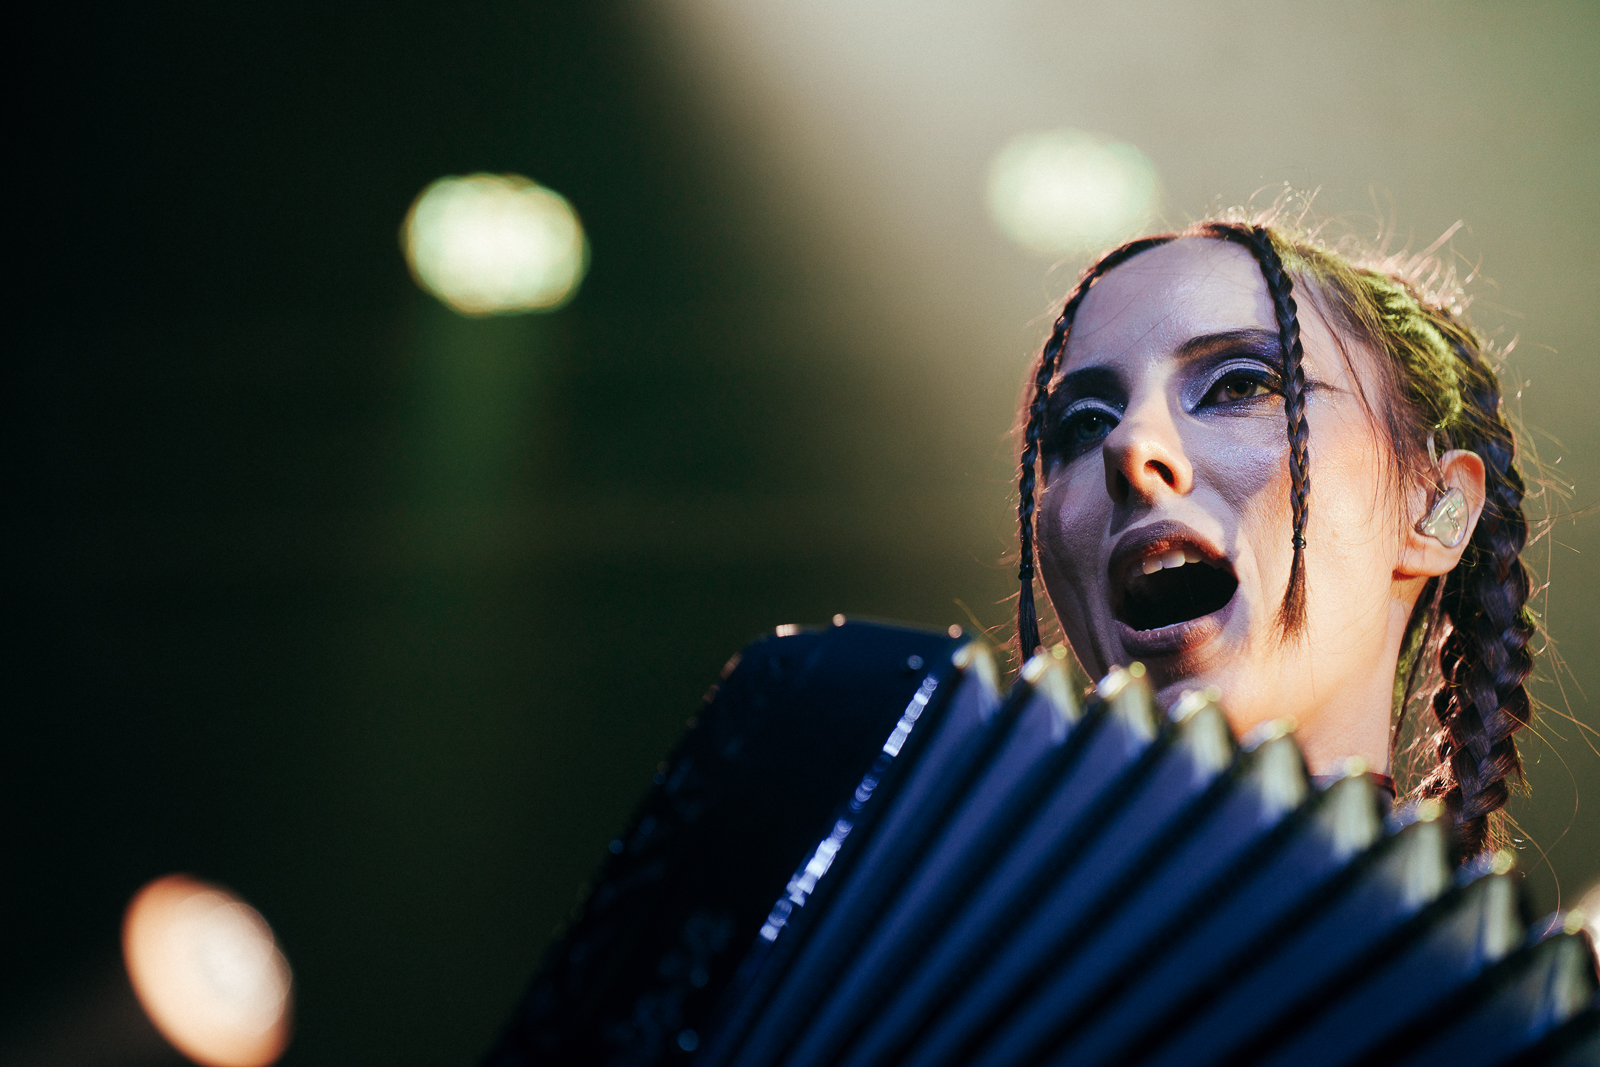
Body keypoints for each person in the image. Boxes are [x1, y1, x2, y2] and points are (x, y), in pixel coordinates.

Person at [1013, 212, 1536, 858]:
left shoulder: (1475, 962)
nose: (1128, 444)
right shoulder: (966, 936)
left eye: (1238, 385)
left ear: (1434, 506)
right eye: (1084, 425)